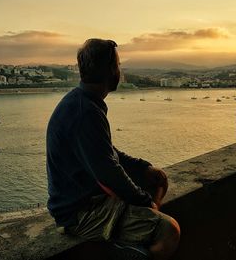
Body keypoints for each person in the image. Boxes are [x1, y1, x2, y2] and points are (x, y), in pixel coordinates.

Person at [46, 38, 180, 260]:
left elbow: (107, 154)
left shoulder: (83, 102)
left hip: (88, 199)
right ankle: (137, 241)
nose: (120, 69)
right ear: (109, 70)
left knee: (156, 180)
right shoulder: (85, 111)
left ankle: (133, 237)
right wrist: (146, 203)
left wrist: (143, 169)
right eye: (118, 65)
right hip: (80, 212)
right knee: (170, 231)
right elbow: (107, 170)